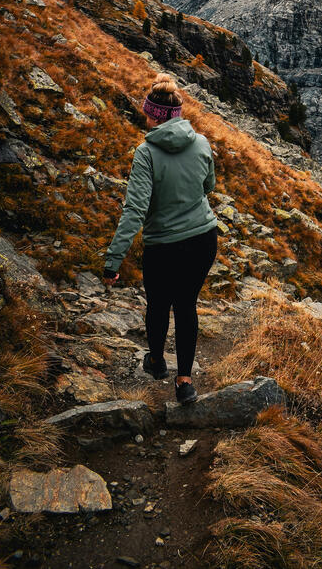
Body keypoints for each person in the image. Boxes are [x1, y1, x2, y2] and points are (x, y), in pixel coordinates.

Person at [103, 73, 218, 405]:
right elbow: (208, 187)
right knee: (186, 305)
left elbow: (135, 210)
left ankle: (156, 361)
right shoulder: (202, 142)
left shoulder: (145, 153)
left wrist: (113, 260)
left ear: (153, 114)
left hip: (163, 245)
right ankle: (185, 383)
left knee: (158, 304)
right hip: (202, 239)